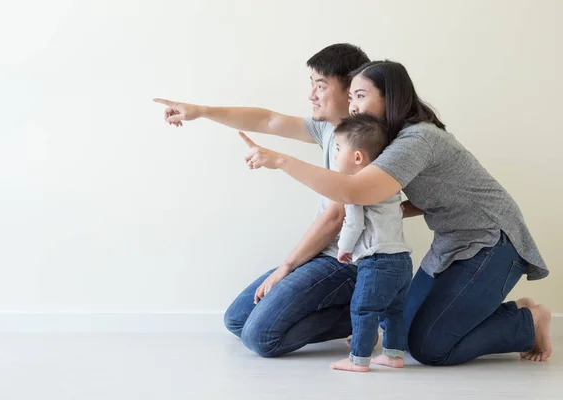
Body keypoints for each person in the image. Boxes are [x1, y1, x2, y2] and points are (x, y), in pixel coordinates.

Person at [238, 60, 552, 365]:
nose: (353, 107)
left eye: (360, 96)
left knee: (430, 348)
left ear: (391, 97)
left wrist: (280, 161)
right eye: (350, 99)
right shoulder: (391, 141)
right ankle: (511, 312)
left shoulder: (417, 138)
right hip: (451, 242)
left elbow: (354, 190)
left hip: (492, 240)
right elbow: (428, 194)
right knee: (398, 330)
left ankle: (528, 321)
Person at [154, 44, 376, 357]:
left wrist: (285, 268)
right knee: (237, 320)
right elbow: (268, 120)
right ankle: (360, 311)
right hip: (323, 253)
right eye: (311, 85)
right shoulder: (328, 128)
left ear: (351, 88)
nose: (312, 95)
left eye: (321, 86)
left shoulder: (366, 141)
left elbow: (335, 217)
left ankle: (369, 312)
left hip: (349, 261)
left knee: (261, 338)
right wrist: (201, 111)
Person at [324, 114, 412, 372]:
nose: (336, 153)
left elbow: (353, 223)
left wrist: (344, 248)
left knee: (363, 309)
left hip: (377, 261)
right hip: (403, 260)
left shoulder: (355, 188)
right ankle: (394, 355)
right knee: (394, 311)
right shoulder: (389, 186)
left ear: (358, 157)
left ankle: (358, 359)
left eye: (339, 148)